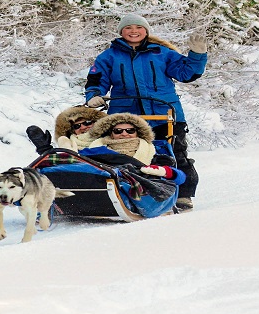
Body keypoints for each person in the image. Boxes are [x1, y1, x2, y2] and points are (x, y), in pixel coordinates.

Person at [83, 13, 207, 211]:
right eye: (128, 28)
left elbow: (186, 73)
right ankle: (128, 191)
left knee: (174, 154)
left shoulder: (162, 53)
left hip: (164, 114)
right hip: (126, 117)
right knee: (126, 155)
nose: (134, 31)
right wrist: (94, 95)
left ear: (146, 31)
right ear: (121, 32)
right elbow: (97, 80)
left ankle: (183, 194)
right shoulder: (109, 56)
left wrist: (197, 56)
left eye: (138, 27)